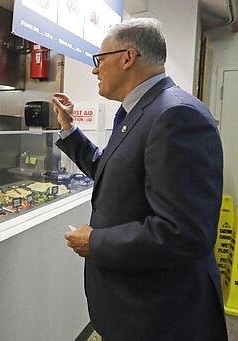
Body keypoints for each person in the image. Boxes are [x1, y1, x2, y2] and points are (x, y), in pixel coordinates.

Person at [51, 18, 227, 340]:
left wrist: (96, 241)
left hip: (159, 316)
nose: (94, 70)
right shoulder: (142, 111)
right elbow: (112, 169)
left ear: (127, 58)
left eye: (99, 60)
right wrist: (70, 130)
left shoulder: (176, 115)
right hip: (135, 309)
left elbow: (184, 232)